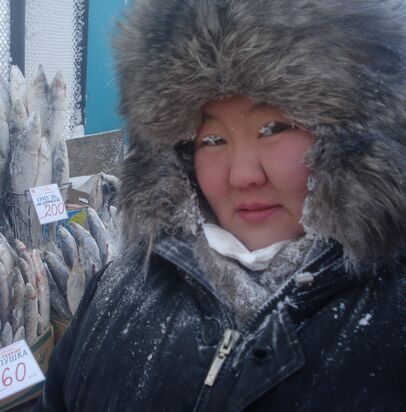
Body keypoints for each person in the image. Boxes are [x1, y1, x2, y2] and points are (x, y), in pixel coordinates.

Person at [37, 0, 406, 410]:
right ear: (177, 154)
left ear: (352, 135)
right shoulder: (119, 287)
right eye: (212, 140)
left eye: (273, 128)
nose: (242, 175)